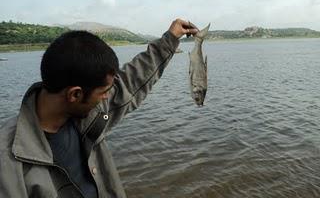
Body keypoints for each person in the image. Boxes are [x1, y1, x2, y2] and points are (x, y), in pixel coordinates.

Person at [0, 18, 198, 198]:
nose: (107, 96)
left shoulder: (85, 114)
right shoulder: (8, 162)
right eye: (104, 91)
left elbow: (131, 81)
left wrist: (170, 38)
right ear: (75, 94)